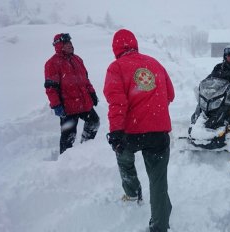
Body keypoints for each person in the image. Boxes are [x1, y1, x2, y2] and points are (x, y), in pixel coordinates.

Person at [103, 29, 174, 232]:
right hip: (158, 134)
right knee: (158, 181)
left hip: (130, 133)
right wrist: (154, 110)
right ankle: (160, 225)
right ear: (135, 44)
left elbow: (117, 102)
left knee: (123, 157)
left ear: (116, 48)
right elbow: (170, 94)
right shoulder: (155, 63)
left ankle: (132, 191)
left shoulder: (116, 68)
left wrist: (116, 133)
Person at [44, 33, 100, 154]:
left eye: (70, 43)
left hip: (84, 103)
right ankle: (64, 161)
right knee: (68, 136)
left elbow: (86, 80)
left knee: (94, 122)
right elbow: (51, 88)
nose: (70, 45)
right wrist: (56, 105)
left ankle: (86, 146)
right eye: (66, 43)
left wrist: (92, 93)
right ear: (59, 46)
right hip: (67, 107)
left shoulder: (77, 59)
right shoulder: (52, 63)